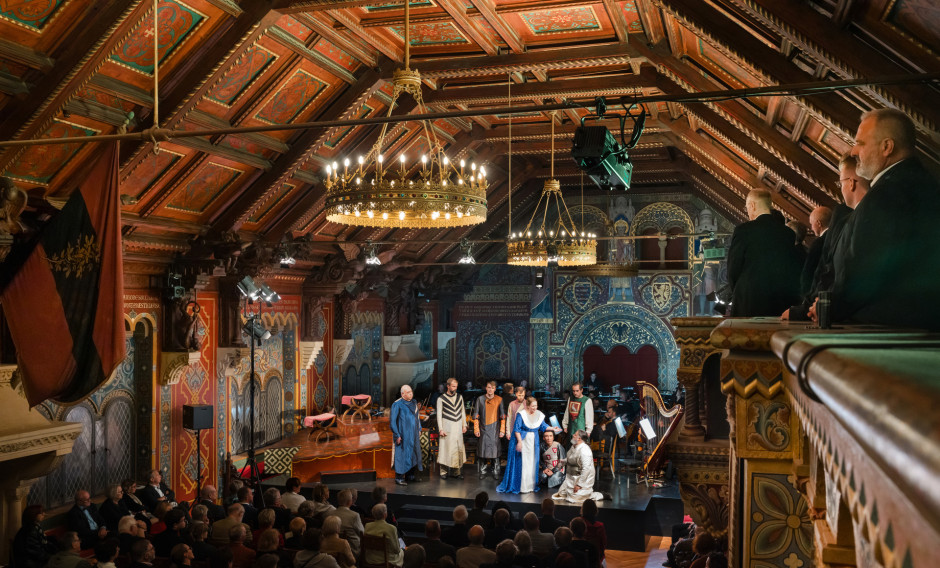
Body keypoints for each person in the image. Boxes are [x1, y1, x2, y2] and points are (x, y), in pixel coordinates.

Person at [811, 108, 940, 330]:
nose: (853, 151)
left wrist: (827, 307)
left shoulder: (888, 192)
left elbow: (866, 270)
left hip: (892, 331)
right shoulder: (925, 183)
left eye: (861, 143)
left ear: (887, 147)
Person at [784, 156, 869, 321]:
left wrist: (818, 305)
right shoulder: (851, 216)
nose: (841, 188)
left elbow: (834, 271)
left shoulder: (854, 217)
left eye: (840, 183)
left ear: (851, 183)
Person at [726, 189, 802, 317]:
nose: (748, 212)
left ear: (752, 206)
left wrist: (740, 292)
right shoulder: (787, 234)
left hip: (748, 302)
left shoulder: (743, 230)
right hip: (779, 302)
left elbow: (733, 268)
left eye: (747, 208)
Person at [498, 397, 560, 494]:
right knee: (524, 462)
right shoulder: (521, 415)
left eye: (536, 406)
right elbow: (517, 429)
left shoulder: (538, 414)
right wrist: (519, 442)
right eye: (533, 406)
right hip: (523, 440)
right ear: (527, 405)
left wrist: (553, 428)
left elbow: (543, 425)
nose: (535, 408)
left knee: (532, 462)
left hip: (533, 442)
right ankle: (522, 486)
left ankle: (530, 485)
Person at [552, 431, 607, 504]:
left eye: (575, 435)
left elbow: (586, 468)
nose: (573, 435)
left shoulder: (585, 450)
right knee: (561, 494)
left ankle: (600, 495)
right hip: (571, 477)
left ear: (579, 438)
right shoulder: (573, 446)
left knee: (576, 499)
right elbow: (571, 458)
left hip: (582, 478)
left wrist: (579, 485)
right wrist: (562, 462)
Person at [390, 384, 423, 485]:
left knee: (413, 453)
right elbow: (392, 422)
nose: (411, 394)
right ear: (402, 394)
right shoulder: (397, 404)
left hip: (413, 434)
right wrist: (397, 435)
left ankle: (410, 476)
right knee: (402, 455)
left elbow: (417, 418)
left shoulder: (413, 403)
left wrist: (419, 428)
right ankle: (399, 478)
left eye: (411, 391)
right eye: (408, 392)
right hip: (403, 434)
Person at [473, 381, 506, 479]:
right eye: (488, 387)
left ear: (495, 389)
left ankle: (495, 470)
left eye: (492, 388)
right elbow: (475, 415)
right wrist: (476, 428)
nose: (490, 389)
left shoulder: (499, 399)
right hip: (483, 428)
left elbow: (503, 416)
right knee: (483, 450)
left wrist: (502, 430)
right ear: (486, 388)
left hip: (495, 429)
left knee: (495, 450)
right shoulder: (480, 399)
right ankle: (483, 471)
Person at [437, 377, 468, 480]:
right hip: (447, 427)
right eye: (453, 386)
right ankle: (443, 471)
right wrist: (441, 429)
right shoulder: (441, 399)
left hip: (458, 427)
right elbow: (439, 415)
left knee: (458, 449)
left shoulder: (459, 397)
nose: (455, 388)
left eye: (456, 386)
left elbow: (462, 411)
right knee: (446, 449)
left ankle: (456, 472)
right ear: (448, 386)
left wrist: (464, 425)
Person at [331, 490, 363, 557]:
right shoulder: (355, 516)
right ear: (349, 502)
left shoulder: (331, 513)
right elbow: (362, 533)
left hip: (334, 550)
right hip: (352, 551)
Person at [579, 501, 607, 565]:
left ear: (583, 509)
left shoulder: (579, 523)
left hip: (580, 558)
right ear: (595, 509)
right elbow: (604, 544)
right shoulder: (600, 526)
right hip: (596, 558)